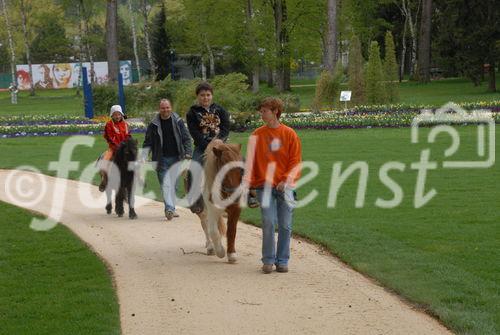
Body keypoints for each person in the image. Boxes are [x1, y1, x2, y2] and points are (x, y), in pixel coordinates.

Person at [245, 97, 302, 274]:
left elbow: (295, 161)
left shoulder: (289, 134)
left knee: (285, 225)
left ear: (275, 111)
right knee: (269, 221)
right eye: (261, 111)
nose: (261, 114)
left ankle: (282, 260)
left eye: (265, 111)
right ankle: (268, 259)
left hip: (286, 186)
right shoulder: (256, 135)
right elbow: (250, 163)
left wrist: (286, 180)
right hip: (264, 186)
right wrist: (249, 186)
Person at [143, 99, 192, 220]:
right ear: (159, 109)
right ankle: (169, 209)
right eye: (163, 108)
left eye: (167, 107)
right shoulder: (153, 125)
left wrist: (188, 152)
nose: (165, 110)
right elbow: (147, 142)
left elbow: (186, 138)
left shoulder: (178, 122)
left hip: (177, 158)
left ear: (171, 108)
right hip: (161, 159)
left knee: (174, 186)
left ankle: (171, 207)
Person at [185, 82, 231, 213]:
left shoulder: (220, 110)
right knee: (194, 167)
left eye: (208, 95)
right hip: (202, 146)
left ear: (212, 96)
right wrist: (208, 146)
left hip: (221, 145)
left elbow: (226, 128)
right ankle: (195, 200)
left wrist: (219, 141)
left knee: (239, 161)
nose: (205, 98)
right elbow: (194, 133)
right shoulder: (192, 113)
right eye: (202, 95)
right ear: (198, 96)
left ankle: (250, 194)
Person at [99, 105, 131, 191]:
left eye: (119, 114)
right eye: (115, 114)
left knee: (135, 160)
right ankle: (104, 180)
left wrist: (128, 145)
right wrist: (117, 147)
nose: (117, 116)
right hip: (113, 148)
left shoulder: (125, 124)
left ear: (121, 115)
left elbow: (128, 136)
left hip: (124, 148)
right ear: (112, 115)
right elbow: (109, 137)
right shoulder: (109, 125)